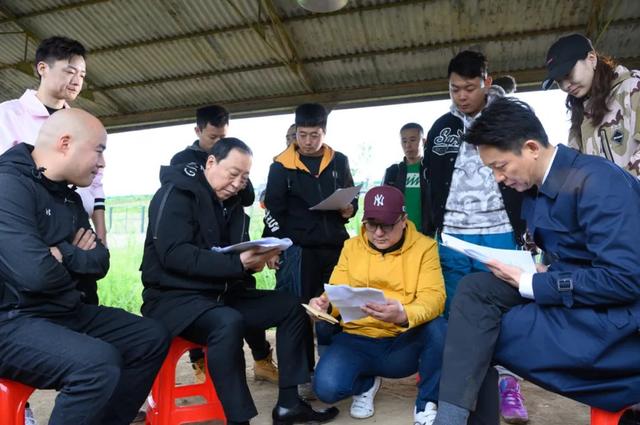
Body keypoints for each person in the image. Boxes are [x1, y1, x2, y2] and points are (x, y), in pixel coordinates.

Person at [433, 97, 640, 425]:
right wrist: (545, 270)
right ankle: (450, 418)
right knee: (475, 291)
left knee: (477, 333)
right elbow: (578, 259)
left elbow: (624, 280)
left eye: (500, 166)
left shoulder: (598, 183)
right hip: (581, 301)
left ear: (531, 148)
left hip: (619, 326)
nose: (498, 178)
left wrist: (533, 281)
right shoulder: (534, 192)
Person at [140, 137, 339, 425]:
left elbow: (234, 255)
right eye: (233, 174)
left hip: (220, 295)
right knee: (227, 322)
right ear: (211, 162)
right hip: (174, 300)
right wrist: (237, 264)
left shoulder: (233, 205)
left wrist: (256, 260)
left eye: (244, 178)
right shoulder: (176, 194)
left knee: (292, 306)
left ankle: (289, 404)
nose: (237, 184)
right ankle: (238, 419)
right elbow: (173, 255)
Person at [0, 108, 170, 425]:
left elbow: (100, 262)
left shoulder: (69, 197)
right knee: (97, 364)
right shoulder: (8, 186)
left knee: (150, 336)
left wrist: (63, 253)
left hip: (62, 311)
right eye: (99, 150)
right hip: (11, 320)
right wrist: (74, 257)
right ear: (65, 143)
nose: (103, 163)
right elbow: (36, 275)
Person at [309, 185, 447, 425]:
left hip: (402, 342)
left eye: (387, 225)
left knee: (439, 328)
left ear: (403, 219)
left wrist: (403, 314)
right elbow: (337, 289)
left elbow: (434, 297)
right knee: (326, 390)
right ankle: (365, 383)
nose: (379, 233)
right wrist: (323, 306)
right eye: (371, 225)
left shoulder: (425, 247)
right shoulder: (351, 247)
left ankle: (426, 402)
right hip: (357, 339)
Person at [169, 105, 276, 386]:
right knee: (206, 307)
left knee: (245, 292)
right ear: (198, 131)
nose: (218, 142)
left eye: (223, 137)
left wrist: (236, 175)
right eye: (212, 137)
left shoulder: (234, 161)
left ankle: (262, 358)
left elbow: (247, 196)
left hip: (231, 240)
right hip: (200, 249)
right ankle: (201, 365)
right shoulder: (183, 160)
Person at [263, 103, 358, 379]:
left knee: (339, 308)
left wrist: (349, 209)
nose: (307, 141)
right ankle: (302, 374)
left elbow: (352, 198)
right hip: (299, 251)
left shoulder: (339, 161)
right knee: (299, 311)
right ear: (295, 133)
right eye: (302, 135)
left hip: (336, 247)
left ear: (324, 132)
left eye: (314, 135)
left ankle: (338, 369)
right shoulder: (280, 167)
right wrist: (273, 247)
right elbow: (273, 211)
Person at [0, 36, 107, 248]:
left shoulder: (81, 123)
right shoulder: (7, 115)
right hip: (29, 229)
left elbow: (96, 183)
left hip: (77, 228)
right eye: (69, 71)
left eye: (82, 75)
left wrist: (101, 234)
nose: (77, 81)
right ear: (43, 68)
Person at [542, 33, 640, 177]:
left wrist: (620, 188)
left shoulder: (633, 88)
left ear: (592, 59)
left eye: (568, 74)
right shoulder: (580, 115)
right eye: (559, 81)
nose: (565, 85)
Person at [383, 122, 429, 234]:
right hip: (399, 233)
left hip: (427, 233)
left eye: (413, 140)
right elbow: (385, 203)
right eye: (404, 141)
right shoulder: (393, 172)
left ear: (423, 141)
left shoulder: (431, 170)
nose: (408, 145)